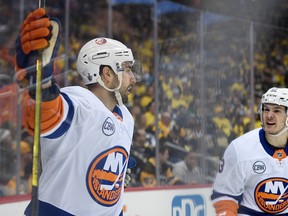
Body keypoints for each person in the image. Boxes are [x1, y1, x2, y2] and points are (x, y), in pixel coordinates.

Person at [15, 8, 142, 216]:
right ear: (107, 73)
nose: (133, 78)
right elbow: (48, 116)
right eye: (126, 69)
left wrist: (119, 170)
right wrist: (40, 82)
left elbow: (98, 146)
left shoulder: (126, 116)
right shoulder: (78, 101)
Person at [211, 87, 288, 215]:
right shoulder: (240, 148)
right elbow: (224, 197)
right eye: (266, 109)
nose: (269, 115)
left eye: (277, 111)